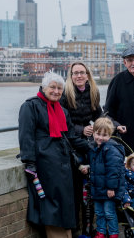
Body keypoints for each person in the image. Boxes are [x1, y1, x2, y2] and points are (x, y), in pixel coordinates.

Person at [18, 71, 90, 238]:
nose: (56, 91)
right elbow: (25, 136)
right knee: (52, 204)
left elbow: (70, 137)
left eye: (59, 89)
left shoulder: (62, 111)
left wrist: (93, 146)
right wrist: (29, 162)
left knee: (65, 203)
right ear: (44, 88)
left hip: (63, 163)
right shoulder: (30, 106)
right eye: (52, 87)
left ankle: (66, 234)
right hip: (45, 163)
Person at [60, 62, 102, 237]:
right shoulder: (65, 94)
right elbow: (62, 123)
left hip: (87, 144)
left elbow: (98, 115)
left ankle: (89, 227)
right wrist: (81, 129)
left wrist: (108, 126)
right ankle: (76, 229)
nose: (78, 76)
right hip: (72, 145)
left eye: (82, 73)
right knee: (76, 190)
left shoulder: (93, 92)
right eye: (75, 73)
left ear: (87, 75)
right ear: (71, 76)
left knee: (91, 188)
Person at [84, 117, 129, 238]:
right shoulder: (94, 148)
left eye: (104, 135)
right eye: (98, 134)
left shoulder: (111, 149)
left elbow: (113, 171)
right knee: (99, 213)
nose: (100, 137)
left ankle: (114, 233)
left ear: (110, 135)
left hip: (109, 190)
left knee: (109, 213)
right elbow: (96, 167)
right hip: (98, 188)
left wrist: (111, 188)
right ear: (93, 133)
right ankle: (101, 232)